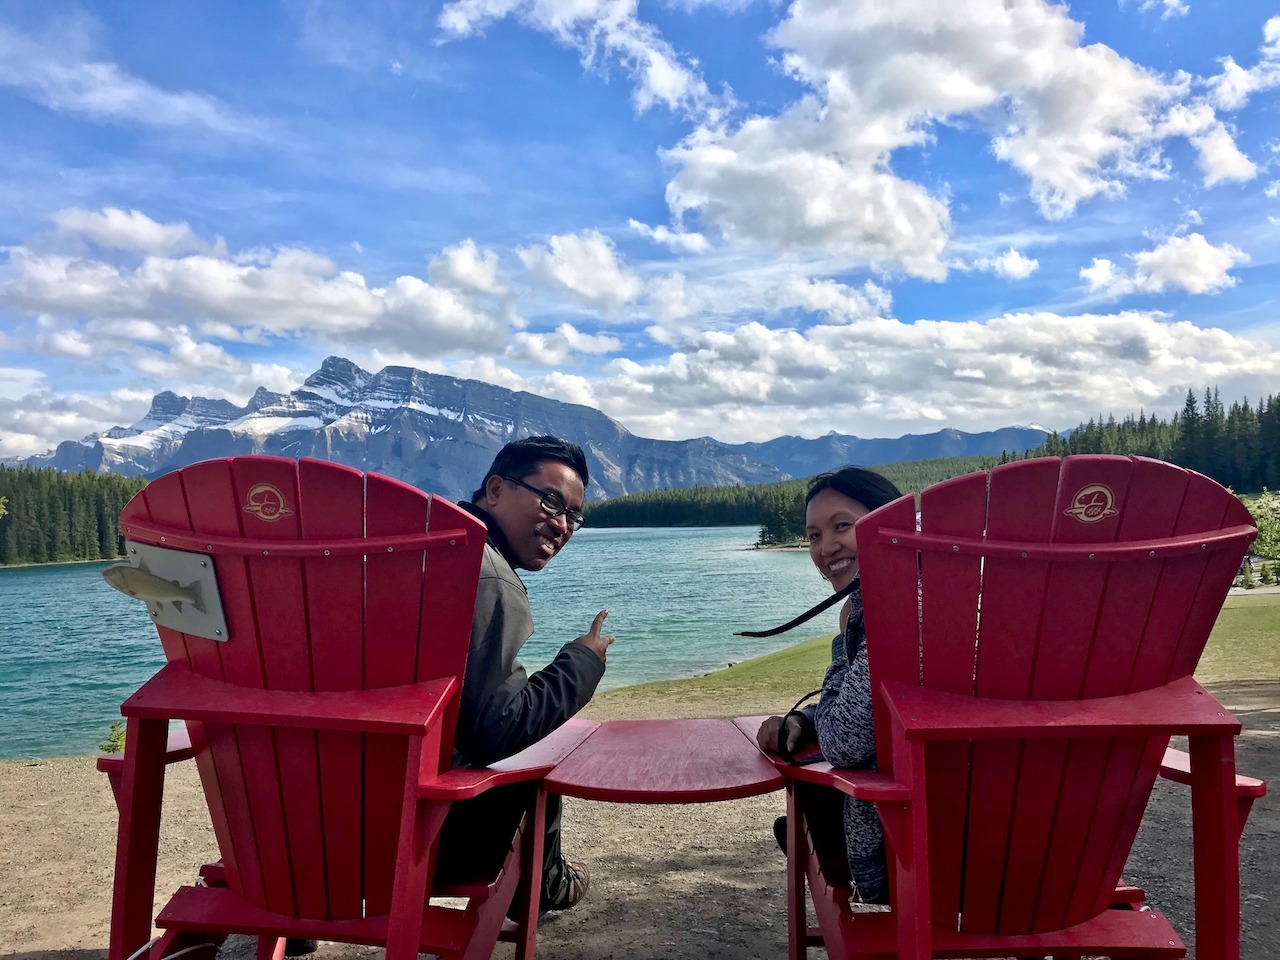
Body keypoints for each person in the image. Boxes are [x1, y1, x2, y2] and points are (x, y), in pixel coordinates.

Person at [435, 434, 614, 914]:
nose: (562, 525)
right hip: (422, 837)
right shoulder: (485, 570)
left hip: (303, 834)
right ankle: (540, 883)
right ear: (495, 490)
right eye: (550, 501)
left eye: (573, 515)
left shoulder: (414, 552)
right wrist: (584, 659)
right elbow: (499, 730)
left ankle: (299, 911)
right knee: (533, 750)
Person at [755, 466, 904, 906]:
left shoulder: (900, 610)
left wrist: (846, 639)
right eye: (814, 536)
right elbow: (879, 705)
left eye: (843, 526)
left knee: (807, 804)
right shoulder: (959, 591)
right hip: (1039, 846)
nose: (826, 549)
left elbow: (844, 742)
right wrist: (806, 716)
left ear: (891, 520)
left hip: (917, 854)